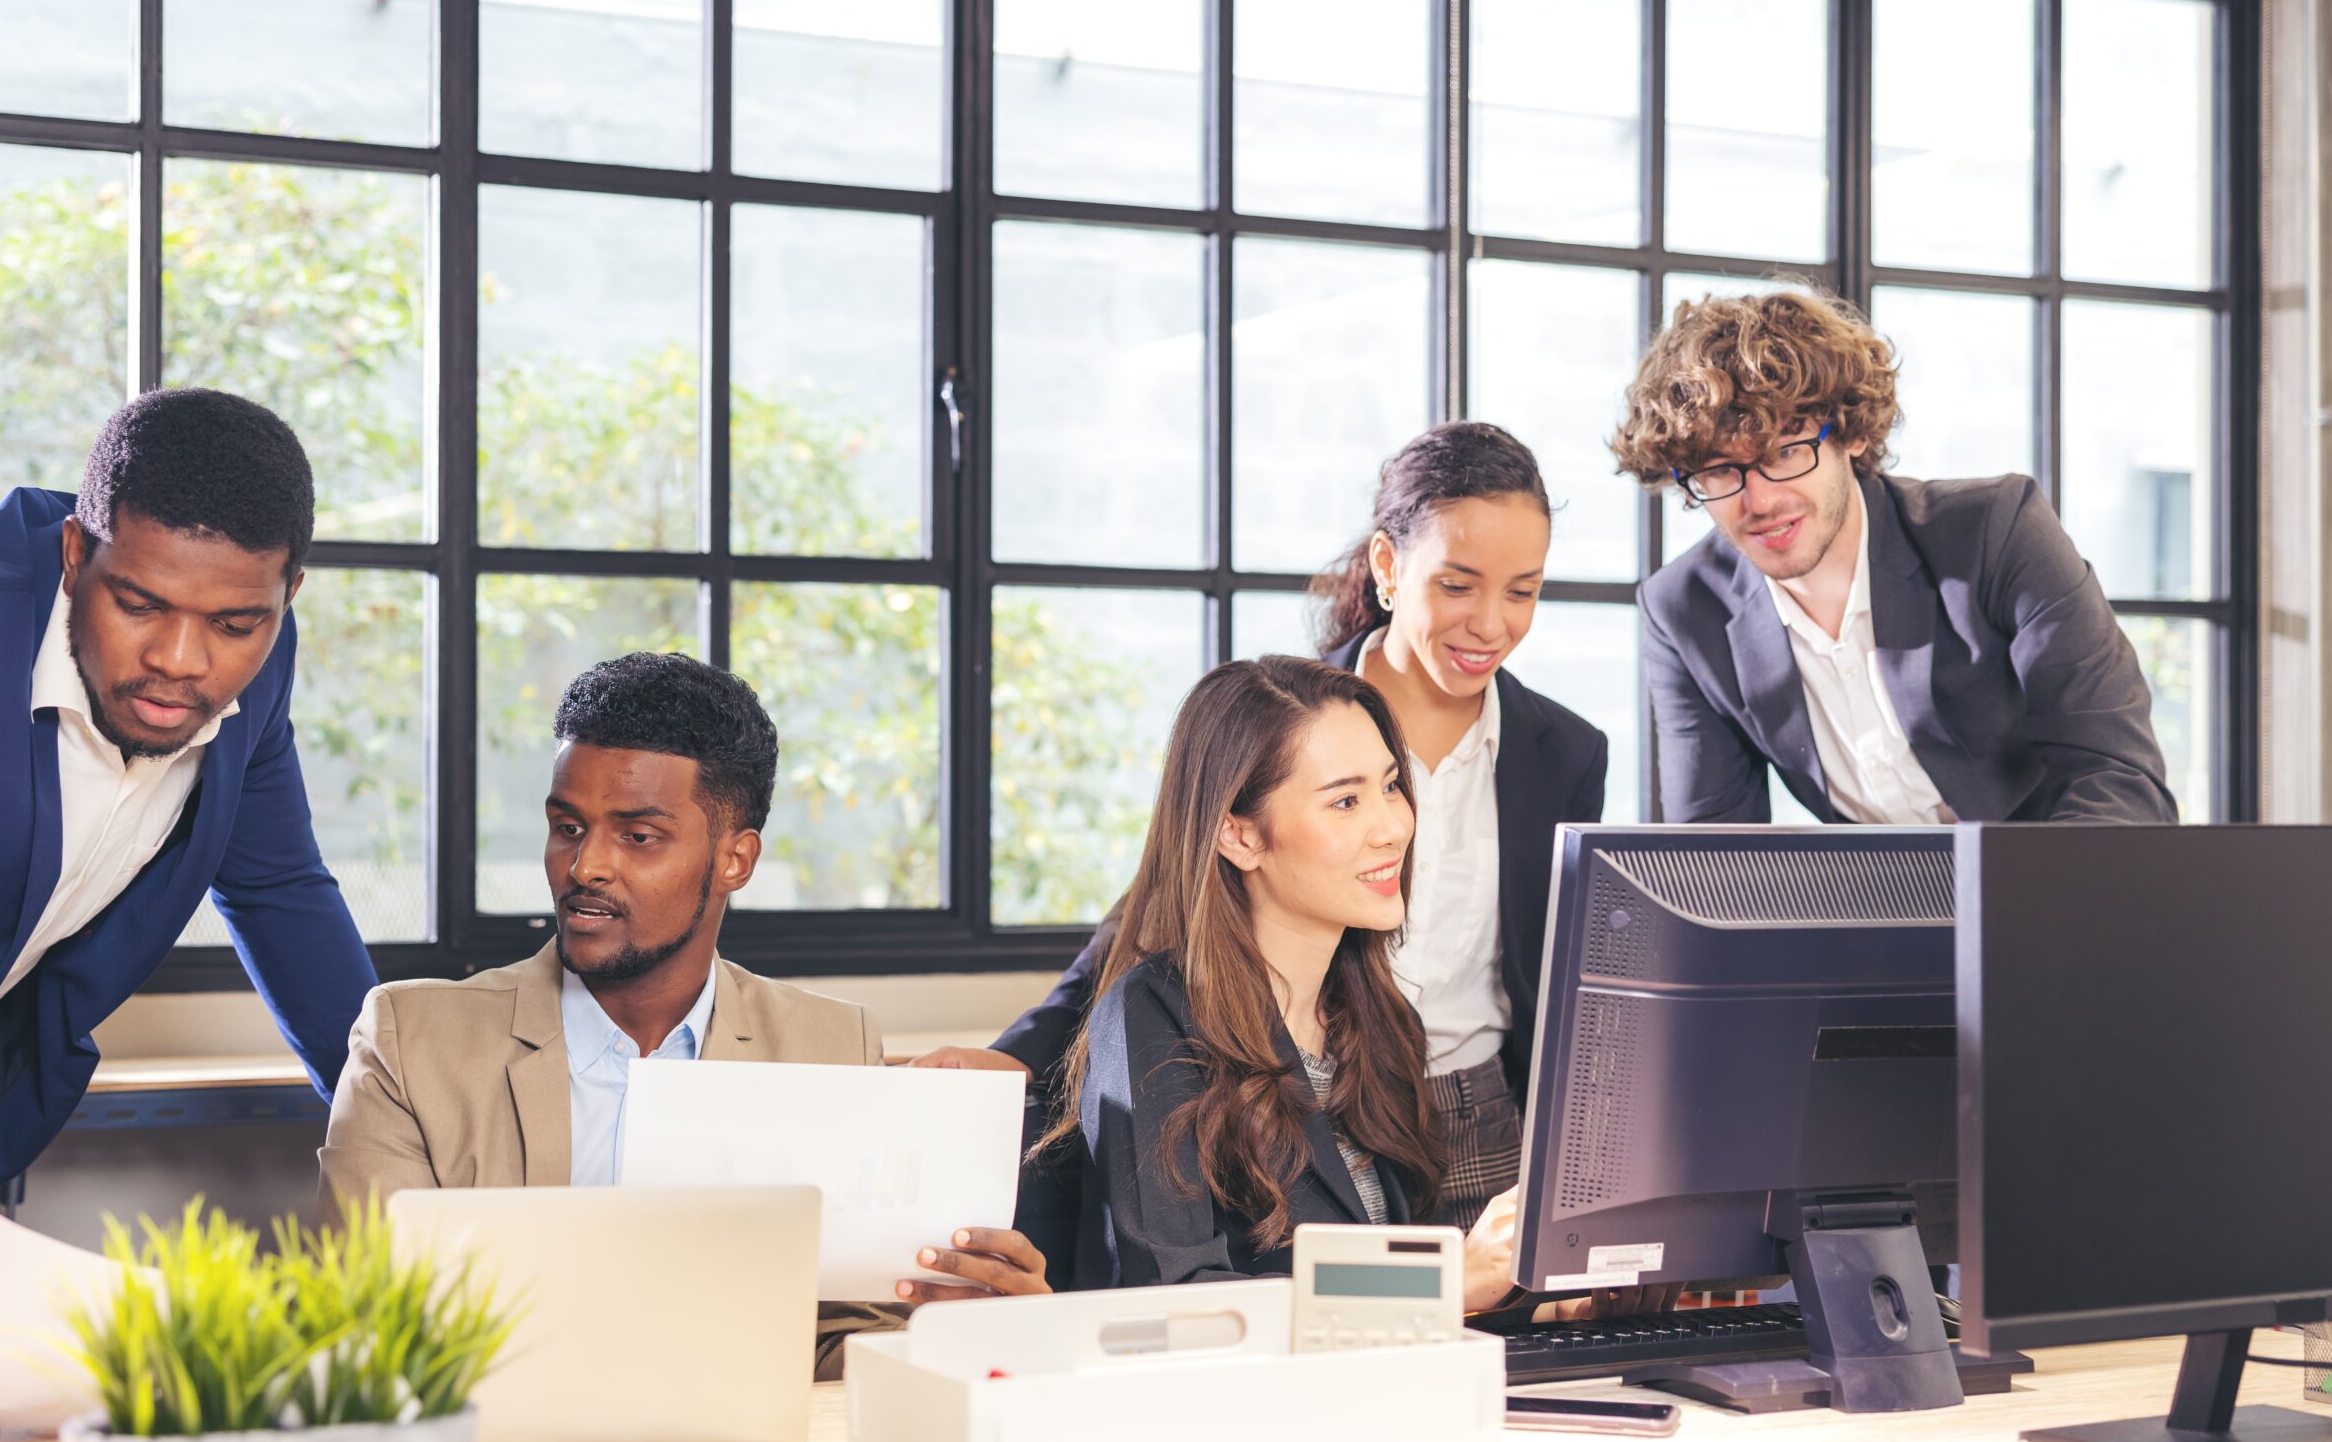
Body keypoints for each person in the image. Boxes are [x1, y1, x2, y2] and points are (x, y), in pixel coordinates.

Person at [0, 389, 380, 1442]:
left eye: (236, 622)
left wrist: (430, 1137)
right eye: (139, 603)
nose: (184, 660)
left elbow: (283, 892)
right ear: (73, 552)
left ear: (286, 595)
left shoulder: (256, 662)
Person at [928, 423, 1606, 1238]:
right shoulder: (1295, 717)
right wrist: (1021, 1053)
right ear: (1389, 567)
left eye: (1522, 592)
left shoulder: (1564, 751)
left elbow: (1567, 972)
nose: (1491, 624)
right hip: (1310, 1090)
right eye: (1458, 586)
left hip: (1477, 1116)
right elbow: (1165, 898)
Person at [315, 652, 1047, 1379]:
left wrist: (948, 1329)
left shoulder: (830, 1044)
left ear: (735, 860)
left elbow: (834, 1345)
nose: (585, 867)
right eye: (568, 827)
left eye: (638, 836)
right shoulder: (410, 1041)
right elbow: (369, 1323)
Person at [1040, 656, 1529, 1306]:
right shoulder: (1150, 1016)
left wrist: (1540, 1294)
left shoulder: (1382, 1020)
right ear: (1238, 835)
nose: (1393, 826)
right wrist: (1444, 1282)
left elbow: (1418, 1291)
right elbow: (1178, 1296)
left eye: (1391, 785)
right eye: (1346, 801)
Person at [1613, 285, 2176, 826]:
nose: (1759, 500)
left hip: (2041, 890)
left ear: (1851, 433)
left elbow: (2115, 778)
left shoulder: (1996, 529)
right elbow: (1713, 855)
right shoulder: (1684, 610)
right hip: (1866, 911)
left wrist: (2023, 919)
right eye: (1717, 471)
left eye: (1785, 453)